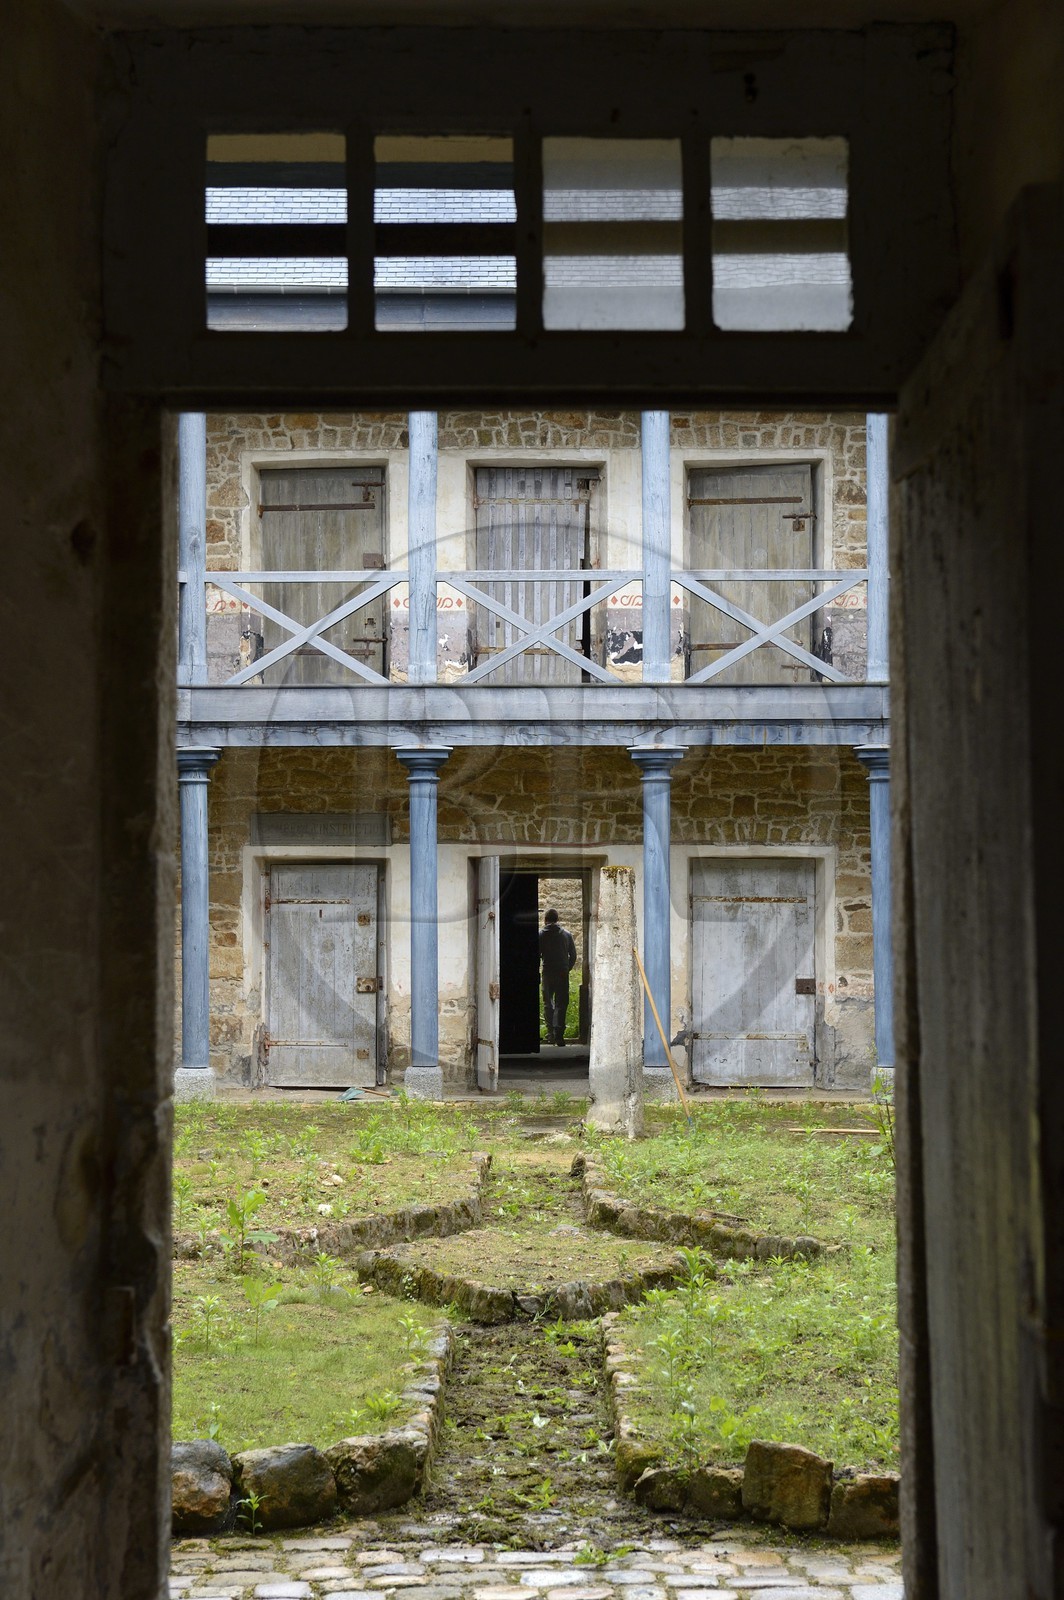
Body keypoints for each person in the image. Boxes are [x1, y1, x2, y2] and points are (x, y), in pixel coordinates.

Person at [539, 907, 577, 1046]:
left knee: (548, 1003)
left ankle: (550, 1034)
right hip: (562, 972)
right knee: (561, 1003)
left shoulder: (541, 935)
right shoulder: (567, 935)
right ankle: (559, 1035)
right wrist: (567, 968)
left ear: (545, 920)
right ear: (557, 919)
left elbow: (535, 954)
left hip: (548, 972)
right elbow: (573, 955)